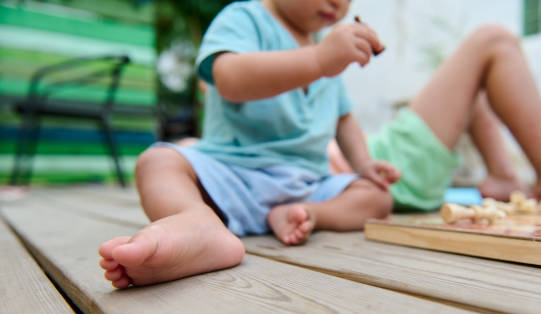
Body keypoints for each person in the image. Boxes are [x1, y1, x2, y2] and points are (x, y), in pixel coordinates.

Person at [98, 0, 400, 288]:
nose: (337, 3)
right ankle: (197, 222)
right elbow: (229, 78)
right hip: (233, 176)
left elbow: (342, 118)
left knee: (378, 197)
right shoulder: (245, 19)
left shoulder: (324, 44)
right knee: (158, 162)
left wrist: (363, 165)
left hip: (306, 184)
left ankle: (307, 214)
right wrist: (320, 60)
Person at [328, 25, 541, 211]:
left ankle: (504, 176)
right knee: (494, 41)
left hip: (383, 157)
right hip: (394, 166)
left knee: (475, 86)